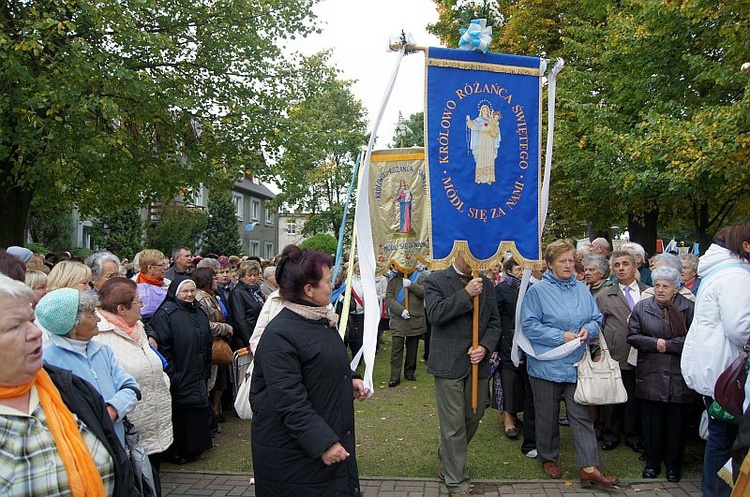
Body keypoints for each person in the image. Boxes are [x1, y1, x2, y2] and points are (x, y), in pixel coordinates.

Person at [0, 273, 138, 496]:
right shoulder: (50, 357)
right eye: (15, 326)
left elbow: (118, 467)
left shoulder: (67, 386)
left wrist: (111, 410)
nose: (36, 333)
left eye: (31, 320)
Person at [250, 245, 369, 496]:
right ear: (308, 290)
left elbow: (323, 366)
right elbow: (289, 400)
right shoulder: (280, 334)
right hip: (295, 459)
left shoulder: (319, 320)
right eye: (327, 280)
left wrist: (349, 381)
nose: (332, 283)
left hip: (320, 447)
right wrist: (323, 442)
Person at [520, 239, 618, 487]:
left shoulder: (582, 289)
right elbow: (529, 326)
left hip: (577, 364)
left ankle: (589, 467)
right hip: (546, 365)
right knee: (547, 416)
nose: (567, 265)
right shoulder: (537, 291)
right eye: (562, 261)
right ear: (549, 264)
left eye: (570, 260)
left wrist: (588, 329)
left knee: (581, 415)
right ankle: (548, 457)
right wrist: (560, 336)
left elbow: (596, 319)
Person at [423, 253, 501, 496]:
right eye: (468, 254)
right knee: (453, 423)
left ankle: (447, 454)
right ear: (457, 252)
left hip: (477, 362)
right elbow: (435, 314)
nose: (473, 260)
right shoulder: (435, 280)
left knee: (474, 414)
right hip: (448, 363)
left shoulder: (487, 285)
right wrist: (466, 294)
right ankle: (456, 480)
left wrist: (485, 347)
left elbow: (495, 323)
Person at [681, 223, 750, 497]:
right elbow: (740, 327)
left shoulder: (720, 272)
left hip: (717, 369)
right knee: (725, 441)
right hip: (728, 373)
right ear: (744, 245)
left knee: (720, 439)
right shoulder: (736, 276)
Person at [36, 288, 141, 448]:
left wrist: (112, 409)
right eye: (92, 314)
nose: (98, 319)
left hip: (116, 442)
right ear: (72, 323)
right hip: (80, 447)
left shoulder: (101, 350)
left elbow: (130, 387)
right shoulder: (46, 359)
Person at [93, 277, 173, 483]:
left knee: (153, 480)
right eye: (138, 301)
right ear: (121, 308)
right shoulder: (98, 337)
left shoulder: (137, 327)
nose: (143, 305)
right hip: (129, 429)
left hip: (152, 423)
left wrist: (162, 381)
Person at [627, 266, 694, 482]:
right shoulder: (642, 307)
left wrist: (670, 345)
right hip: (651, 373)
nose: (660, 290)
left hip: (678, 374)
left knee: (676, 425)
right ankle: (652, 463)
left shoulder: (690, 308)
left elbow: (696, 339)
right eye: (657, 285)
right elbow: (632, 336)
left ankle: (674, 466)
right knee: (651, 423)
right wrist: (655, 343)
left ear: (676, 288)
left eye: (665, 286)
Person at [149, 277, 213, 464]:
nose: (190, 294)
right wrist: (172, 374)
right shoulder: (166, 313)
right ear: (176, 292)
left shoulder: (198, 309)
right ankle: (177, 450)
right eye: (185, 291)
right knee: (180, 411)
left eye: (192, 291)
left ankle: (195, 447)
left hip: (197, 367)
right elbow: (164, 346)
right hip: (179, 369)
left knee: (196, 407)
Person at [596, 250, 649, 453]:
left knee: (635, 397)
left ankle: (633, 435)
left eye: (625, 264)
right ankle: (611, 434)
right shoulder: (605, 295)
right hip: (616, 353)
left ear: (634, 266)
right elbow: (596, 325)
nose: (621, 268)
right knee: (614, 396)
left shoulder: (647, 292)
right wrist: (598, 350)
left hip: (641, 353)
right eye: (617, 265)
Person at [494, 257, 536, 457]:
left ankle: (521, 416)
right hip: (506, 341)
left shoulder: (530, 287)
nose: (521, 272)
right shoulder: (501, 289)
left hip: (526, 342)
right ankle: (508, 419)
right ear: (509, 270)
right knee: (508, 380)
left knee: (523, 382)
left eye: (522, 269)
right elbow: (496, 317)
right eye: (518, 269)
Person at [193, 267, 233, 428]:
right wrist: (224, 328)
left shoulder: (211, 297)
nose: (217, 279)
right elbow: (204, 325)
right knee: (208, 383)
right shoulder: (201, 299)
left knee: (215, 382)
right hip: (209, 345)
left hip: (215, 343)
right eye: (214, 277)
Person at [385, 268, 426, 387]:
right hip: (399, 318)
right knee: (396, 348)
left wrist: (411, 285)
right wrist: (400, 310)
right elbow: (389, 298)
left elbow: (425, 292)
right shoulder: (393, 280)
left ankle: (409, 372)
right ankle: (394, 376)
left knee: (412, 348)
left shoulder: (420, 277)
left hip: (415, 318)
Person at [229, 260, 265, 350]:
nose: (253, 278)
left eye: (255, 275)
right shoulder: (237, 292)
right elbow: (240, 320)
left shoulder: (255, 290)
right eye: (249, 275)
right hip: (245, 340)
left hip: (258, 334)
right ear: (242, 276)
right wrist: (249, 341)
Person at [466, 105, 501, 184]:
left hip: (489, 140)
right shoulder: (478, 120)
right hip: (481, 139)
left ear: (488, 111)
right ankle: (479, 178)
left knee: (489, 156)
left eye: (486, 110)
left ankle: (489, 178)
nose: (485, 112)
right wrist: (468, 120)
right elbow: (473, 125)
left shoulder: (491, 120)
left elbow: (496, 129)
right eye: (483, 110)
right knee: (481, 156)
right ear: (481, 111)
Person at [135, 249, 170, 323]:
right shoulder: (132, 288)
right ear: (150, 268)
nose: (166, 267)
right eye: (162, 265)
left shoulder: (168, 284)